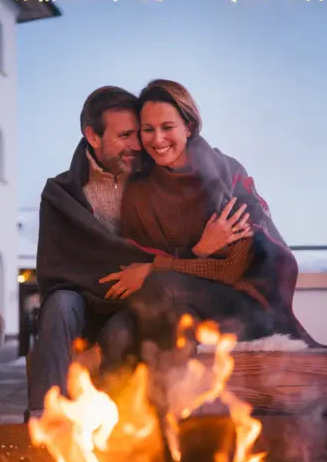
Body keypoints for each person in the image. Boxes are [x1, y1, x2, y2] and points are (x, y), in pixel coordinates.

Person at [27, 85, 252, 419]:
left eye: (139, 133)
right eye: (125, 135)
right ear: (92, 135)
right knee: (58, 306)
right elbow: (58, 265)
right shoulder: (62, 195)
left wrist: (195, 251)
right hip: (82, 296)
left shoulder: (154, 183)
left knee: (121, 333)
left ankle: (118, 437)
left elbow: (163, 253)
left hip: (139, 294)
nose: (138, 145)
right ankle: (45, 419)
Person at [100, 79, 319, 352]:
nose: (157, 139)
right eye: (148, 129)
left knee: (159, 285)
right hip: (175, 302)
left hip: (246, 307)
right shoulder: (138, 191)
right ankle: (151, 394)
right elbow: (134, 263)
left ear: (188, 127)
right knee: (118, 330)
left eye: (167, 127)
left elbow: (229, 270)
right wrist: (199, 251)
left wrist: (157, 266)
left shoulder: (225, 175)